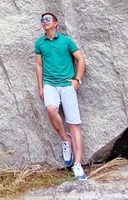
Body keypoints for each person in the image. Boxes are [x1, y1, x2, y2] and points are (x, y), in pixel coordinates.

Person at [35, 12, 87, 181]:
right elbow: (38, 65)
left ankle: (77, 165)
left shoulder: (66, 41)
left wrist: (77, 79)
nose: (44, 22)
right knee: (51, 109)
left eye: (47, 19)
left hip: (67, 85)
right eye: (42, 20)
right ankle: (65, 140)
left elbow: (81, 59)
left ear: (55, 23)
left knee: (74, 124)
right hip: (50, 84)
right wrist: (41, 87)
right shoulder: (40, 43)